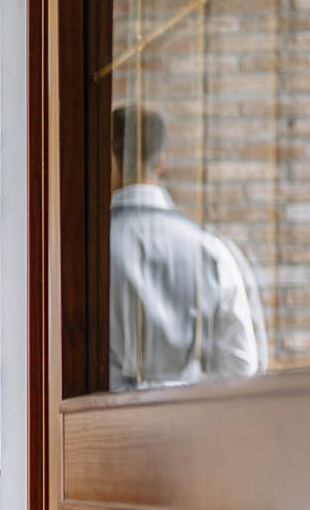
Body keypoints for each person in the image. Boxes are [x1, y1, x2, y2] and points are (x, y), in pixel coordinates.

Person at [108, 104, 268, 391]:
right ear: (160, 163)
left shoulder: (88, 254)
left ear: (109, 161)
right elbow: (240, 369)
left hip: (98, 430)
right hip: (187, 428)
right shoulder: (211, 251)